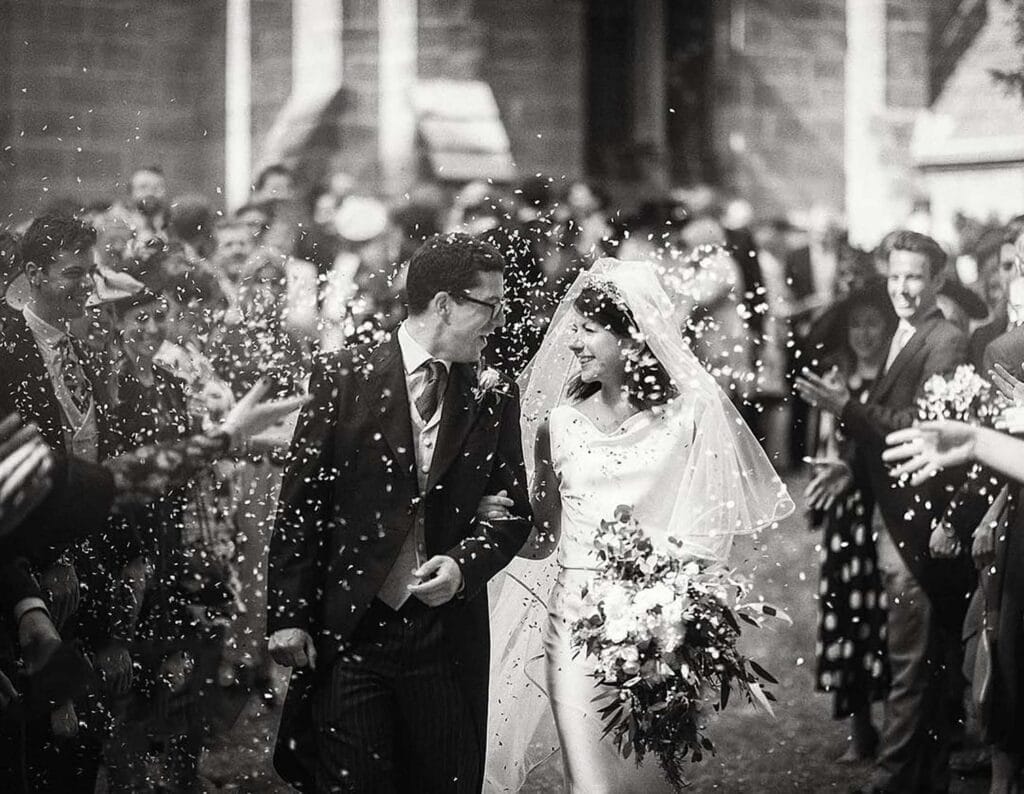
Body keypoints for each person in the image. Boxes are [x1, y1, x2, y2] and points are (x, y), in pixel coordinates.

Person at [482, 258, 793, 793]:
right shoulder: (556, 427)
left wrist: (677, 615)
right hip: (573, 628)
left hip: (660, 630)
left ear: (633, 339)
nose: (573, 343)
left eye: (589, 330)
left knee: (648, 782)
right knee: (594, 785)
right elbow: (542, 538)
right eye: (573, 329)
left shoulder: (688, 416)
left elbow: (709, 529)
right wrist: (481, 514)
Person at [267, 232, 534, 793]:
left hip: (444, 635)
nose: (499, 322)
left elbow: (513, 514)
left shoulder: (494, 392)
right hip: (353, 628)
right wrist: (289, 613)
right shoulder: (344, 374)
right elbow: (304, 501)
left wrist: (463, 564)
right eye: (491, 306)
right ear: (444, 304)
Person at [796, 230, 970, 794]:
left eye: (914, 277)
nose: (902, 288)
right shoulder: (905, 334)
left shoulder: (943, 341)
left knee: (911, 654)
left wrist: (847, 407)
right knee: (914, 653)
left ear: (938, 280)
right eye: (895, 276)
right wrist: (851, 467)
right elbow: (886, 427)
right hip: (888, 510)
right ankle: (923, 775)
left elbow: (923, 431)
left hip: (916, 520)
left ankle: (896, 777)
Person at [803, 289, 896, 763]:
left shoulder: (893, 379)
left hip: (883, 506)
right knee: (849, 613)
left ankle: (898, 727)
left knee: (888, 616)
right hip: (846, 514)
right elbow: (824, 445)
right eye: (856, 325)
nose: (863, 334)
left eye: (873, 324)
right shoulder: (836, 378)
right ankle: (861, 732)